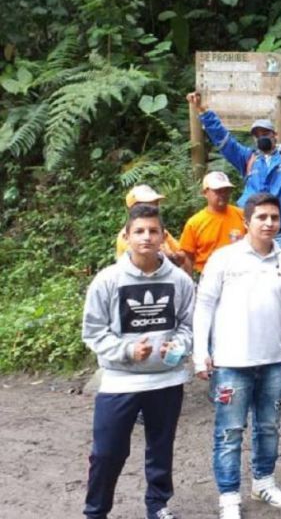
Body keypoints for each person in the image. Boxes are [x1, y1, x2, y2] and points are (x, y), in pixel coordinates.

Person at [191, 193, 281, 518]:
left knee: (269, 426)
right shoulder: (224, 259)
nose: (269, 223)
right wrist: (201, 353)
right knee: (229, 432)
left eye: (274, 217)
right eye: (261, 217)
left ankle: (263, 481)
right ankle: (229, 496)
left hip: (274, 360)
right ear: (246, 221)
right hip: (231, 362)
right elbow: (204, 305)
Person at [82, 204, 195, 519]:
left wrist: (179, 346)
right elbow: (93, 331)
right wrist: (127, 351)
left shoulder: (181, 281)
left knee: (161, 448)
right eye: (139, 231)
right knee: (107, 452)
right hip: (120, 380)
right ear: (127, 236)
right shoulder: (107, 280)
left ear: (163, 236)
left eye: (153, 231)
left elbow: (190, 325)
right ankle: (95, 512)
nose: (146, 237)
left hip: (166, 379)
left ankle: (158, 505)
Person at [187, 91, 281, 252]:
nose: (261, 138)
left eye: (265, 134)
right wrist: (203, 111)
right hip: (251, 229)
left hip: (280, 230)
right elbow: (223, 139)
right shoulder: (247, 158)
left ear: (275, 135)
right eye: (257, 135)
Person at [179, 171, 246, 274]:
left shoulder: (242, 215)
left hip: (238, 273)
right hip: (206, 274)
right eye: (218, 191)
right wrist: (189, 280)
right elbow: (187, 255)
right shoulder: (195, 223)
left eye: (226, 190)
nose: (223, 194)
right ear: (205, 193)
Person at [115, 184, 191, 274]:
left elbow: (182, 254)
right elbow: (147, 259)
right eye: (148, 203)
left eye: (155, 203)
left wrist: (172, 256)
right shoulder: (127, 235)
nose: (153, 206)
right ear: (134, 207)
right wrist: (170, 256)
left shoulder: (161, 231)